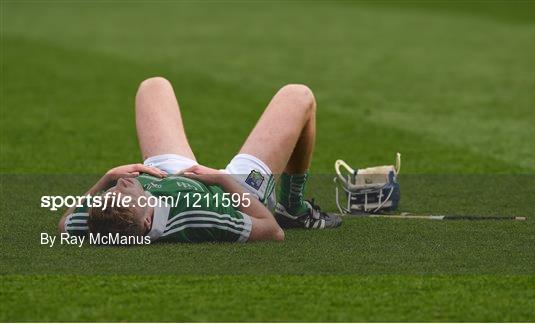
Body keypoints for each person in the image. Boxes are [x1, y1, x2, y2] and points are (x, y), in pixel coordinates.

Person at [58, 77, 341, 244]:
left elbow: (65, 223)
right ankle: (294, 208)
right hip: (234, 192)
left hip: (168, 174)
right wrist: (221, 178)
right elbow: (272, 231)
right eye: (124, 189)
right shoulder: (198, 216)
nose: (123, 181)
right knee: (298, 95)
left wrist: (106, 178)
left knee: (153, 86)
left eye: (113, 190)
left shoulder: (101, 218)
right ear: (147, 223)